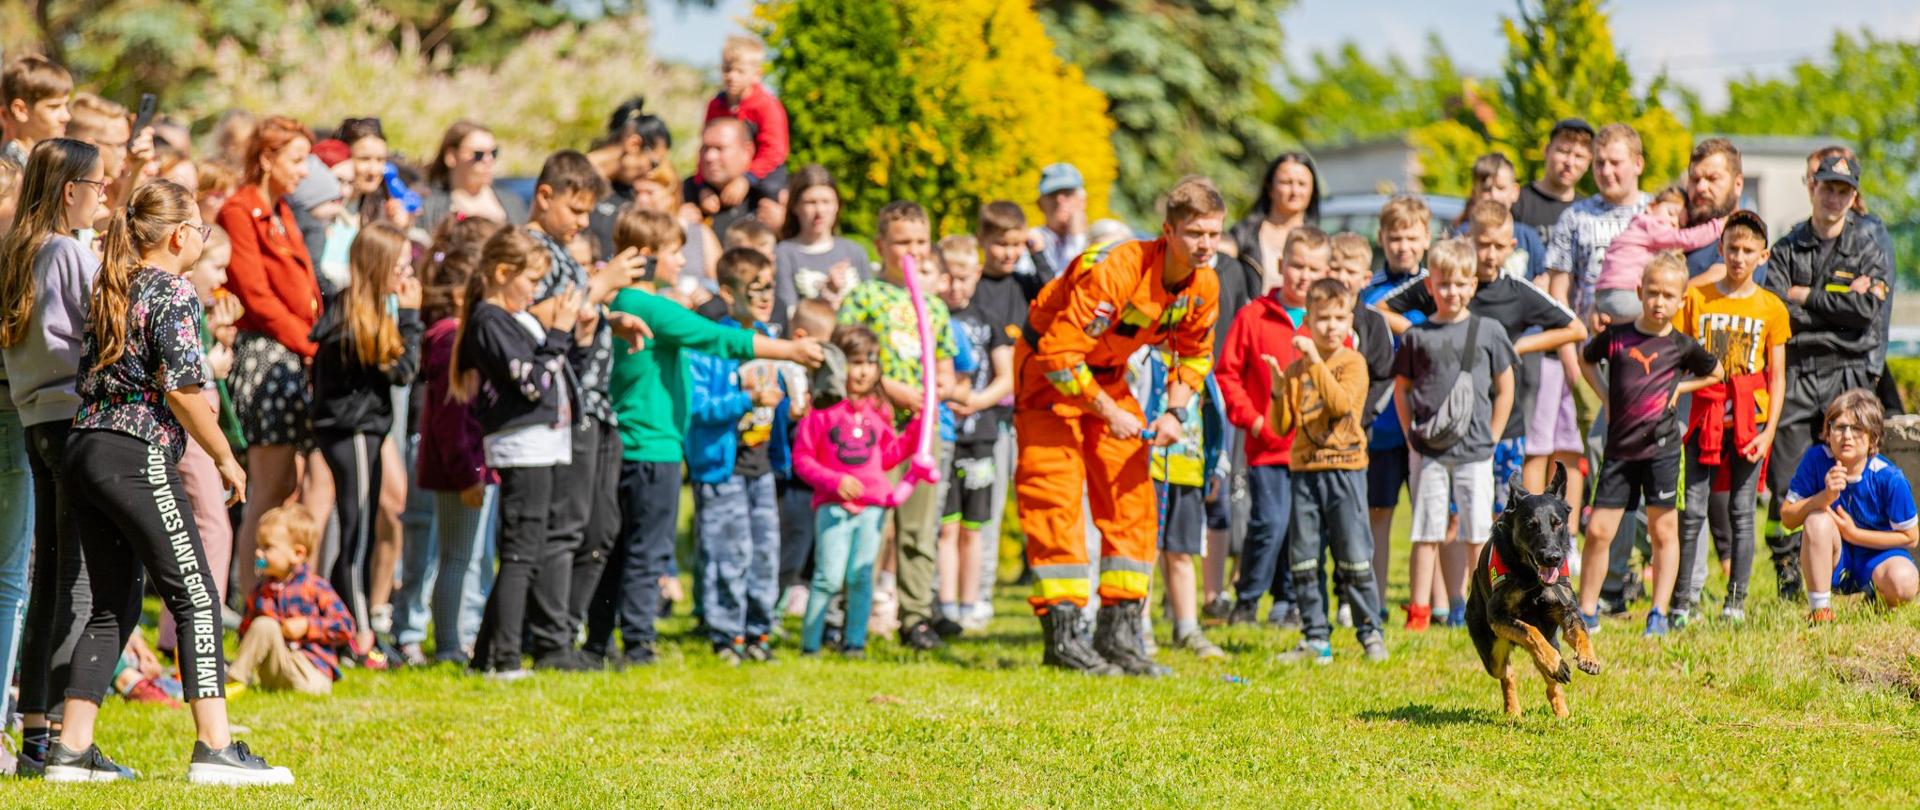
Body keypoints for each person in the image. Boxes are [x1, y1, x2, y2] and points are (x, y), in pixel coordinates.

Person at [50, 179, 292, 785]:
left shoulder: (116, 281)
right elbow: (184, 390)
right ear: (182, 235)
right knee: (198, 595)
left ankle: (70, 752)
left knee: (114, 603)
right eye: (203, 231)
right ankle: (216, 747)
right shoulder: (173, 290)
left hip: (84, 445)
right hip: (135, 451)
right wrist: (225, 458)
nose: (204, 241)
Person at [590, 210, 821, 666]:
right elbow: (718, 339)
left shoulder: (620, 304)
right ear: (649, 257)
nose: (683, 259)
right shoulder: (649, 306)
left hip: (629, 444)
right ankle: (636, 644)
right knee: (647, 550)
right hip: (652, 444)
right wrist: (789, 350)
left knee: (618, 549)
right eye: (676, 251)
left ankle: (601, 641)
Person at [1016, 176, 1222, 675]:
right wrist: (1110, 414)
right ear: (1168, 231)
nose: (1205, 246)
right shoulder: (1118, 267)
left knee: (1132, 498)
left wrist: (1174, 413)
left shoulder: (1204, 286)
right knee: (1056, 497)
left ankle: (1120, 635)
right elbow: (1061, 355)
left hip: (1106, 375)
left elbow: (1194, 356)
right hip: (1048, 374)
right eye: (1195, 234)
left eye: (1214, 234)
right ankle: (1064, 640)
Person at [1381, 202, 1584, 625]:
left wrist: (1512, 351)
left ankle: (1503, 598)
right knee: (1446, 520)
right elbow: (1381, 309)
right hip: (1445, 430)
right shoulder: (1448, 277)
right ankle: (1448, 601)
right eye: (1481, 244)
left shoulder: (1516, 290)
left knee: (1496, 522)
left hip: (1499, 427)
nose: (1489, 253)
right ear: (1467, 243)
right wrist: (1425, 336)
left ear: (1510, 246)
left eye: (1497, 246)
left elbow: (1575, 328)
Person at [521, 150, 647, 670]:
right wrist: (604, 282)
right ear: (545, 195)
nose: (582, 222)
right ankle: (550, 643)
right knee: (566, 527)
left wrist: (610, 318)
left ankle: (567, 634)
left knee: (601, 528)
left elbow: (579, 313)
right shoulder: (530, 248)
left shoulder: (563, 250)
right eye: (575, 210)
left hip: (597, 404)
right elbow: (529, 319)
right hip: (561, 408)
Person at [0, 136, 102, 774]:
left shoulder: (19, 250)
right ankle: (69, 736)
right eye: (98, 186)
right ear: (71, 191)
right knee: (80, 582)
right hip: (72, 418)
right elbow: (108, 320)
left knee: (48, 578)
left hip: (33, 417)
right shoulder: (66, 251)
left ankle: (36, 730)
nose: (104, 197)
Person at [1762, 153, 1895, 603]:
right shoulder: (1785, 248)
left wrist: (1807, 297)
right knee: (1787, 477)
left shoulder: (1868, 248)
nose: (1834, 196)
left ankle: (1846, 568)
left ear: (1854, 196)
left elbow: (1865, 312)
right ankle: (1786, 568)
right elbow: (1779, 309)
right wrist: (1836, 302)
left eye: (1843, 189)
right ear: (1811, 187)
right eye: (1827, 186)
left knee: (1851, 473)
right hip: (1798, 370)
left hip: (1847, 374)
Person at [455, 227, 582, 679]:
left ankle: (483, 657)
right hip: (520, 445)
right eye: (531, 280)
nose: (535, 290)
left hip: (542, 443)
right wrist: (560, 335)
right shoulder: (489, 320)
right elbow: (532, 382)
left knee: (525, 550)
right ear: (504, 272)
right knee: (520, 554)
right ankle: (505, 661)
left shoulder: (511, 316)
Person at [836, 200, 963, 650]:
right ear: (881, 245)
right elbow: (844, 359)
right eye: (902, 242)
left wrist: (940, 388)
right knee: (868, 520)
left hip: (923, 429)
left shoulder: (933, 306)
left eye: (920, 242)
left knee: (919, 524)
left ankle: (915, 616)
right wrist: (890, 389)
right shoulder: (865, 298)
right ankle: (850, 615)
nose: (912, 251)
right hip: (873, 428)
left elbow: (945, 365)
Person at [1577, 253, 1722, 636]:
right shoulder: (1617, 337)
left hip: (1662, 453)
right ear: (1640, 292)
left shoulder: (1682, 345)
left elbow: (1716, 372)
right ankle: (1586, 610)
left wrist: (1679, 388)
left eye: (1669, 295)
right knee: (1598, 531)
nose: (1659, 302)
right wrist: (1606, 398)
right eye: (1653, 293)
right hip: (1620, 453)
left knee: (1662, 533)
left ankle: (1657, 612)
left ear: (1681, 299)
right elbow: (1585, 359)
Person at [220, 116, 330, 601]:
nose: (305, 171)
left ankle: (281, 596)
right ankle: (249, 598)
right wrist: (313, 346)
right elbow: (257, 298)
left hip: (295, 354)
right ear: (266, 159)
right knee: (266, 486)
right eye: (297, 159)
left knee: (288, 482)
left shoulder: (282, 213)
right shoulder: (240, 210)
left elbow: (304, 291)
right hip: (267, 357)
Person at [1543, 123, 1649, 609]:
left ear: (1637, 164)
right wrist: (1570, 357)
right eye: (1600, 163)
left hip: (1650, 366)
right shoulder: (1575, 217)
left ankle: (1647, 570)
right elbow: (1559, 294)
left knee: (1656, 472)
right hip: (1593, 367)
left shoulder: (1655, 212)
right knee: (1611, 470)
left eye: (1616, 162)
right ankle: (1610, 583)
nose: (1606, 171)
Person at [308, 221, 423, 661]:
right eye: (400, 266)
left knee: (368, 528)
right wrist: (411, 318)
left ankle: (353, 628)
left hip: (364, 429)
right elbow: (402, 371)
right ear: (379, 267)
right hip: (351, 430)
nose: (407, 275)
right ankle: (358, 639)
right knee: (355, 534)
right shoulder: (354, 313)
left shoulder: (367, 309)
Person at [1391, 238, 1517, 632]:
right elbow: (1402, 389)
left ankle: (1478, 604)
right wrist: (1410, 434)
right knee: (1426, 529)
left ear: (1473, 285)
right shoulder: (1417, 335)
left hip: (1475, 450)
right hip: (1428, 450)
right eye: (1444, 284)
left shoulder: (1489, 331)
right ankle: (1420, 608)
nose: (1452, 292)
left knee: (1477, 530)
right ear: (1430, 286)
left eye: (1461, 283)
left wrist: (1493, 436)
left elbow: (1505, 386)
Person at [1673, 211, 1789, 623]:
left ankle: (1735, 602)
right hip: (1703, 414)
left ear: (1763, 256)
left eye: (1748, 251)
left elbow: (1777, 376)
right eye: (1732, 249)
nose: (1739, 257)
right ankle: (1682, 602)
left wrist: (1769, 430)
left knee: (1742, 511)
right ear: (1720, 249)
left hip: (1747, 420)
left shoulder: (1771, 307)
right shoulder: (1697, 299)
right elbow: (1676, 351)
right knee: (1693, 510)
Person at [1268, 278, 1385, 662]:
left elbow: (1339, 406)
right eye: (1322, 318)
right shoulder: (1298, 366)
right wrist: (1278, 388)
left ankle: (1371, 633)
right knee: (1303, 557)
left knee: (1354, 555)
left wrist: (1315, 363)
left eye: (1338, 317)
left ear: (1349, 319)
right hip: (1304, 471)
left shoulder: (1353, 363)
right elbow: (1283, 426)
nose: (1330, 326)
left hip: (1346, 470)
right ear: (1308, 320)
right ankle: (1315, 637)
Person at [687, 248, 792, 663]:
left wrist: (787, 416)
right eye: (756, 287)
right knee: (729, 551)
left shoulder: (769, 338)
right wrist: (745, 399)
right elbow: (698, 408)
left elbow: (778, 408)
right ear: (729, 293)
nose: (767, 295)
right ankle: (725, 633)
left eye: (771, 286)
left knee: (765, 550)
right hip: (723, 465)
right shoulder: (711, 343)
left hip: (762, 464)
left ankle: (758, 632)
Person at [1219, 228, 1325, 628]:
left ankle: (1288, 601)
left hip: (1312, 448)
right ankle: (1246, 600)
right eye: (1296, 265)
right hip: (1267, 443)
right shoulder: (1254, 315)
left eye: (1313, 268)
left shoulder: (1325, 320)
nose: (1303, 276)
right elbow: (1227, 374)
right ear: (1281, 266)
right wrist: (1254, 420)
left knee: (1302, 527)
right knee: (1270, 521)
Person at [792, 324, 919, 657]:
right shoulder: (822, 409)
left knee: (862, 578)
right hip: (833, 507)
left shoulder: (881, 411)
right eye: (855, 362)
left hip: (873, 509)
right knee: (827, 578)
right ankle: (810, 646)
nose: (863, 371)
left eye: (870, 362)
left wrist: (917, 427)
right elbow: (802, 459)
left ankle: (854, 645)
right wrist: (834, 482)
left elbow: (888, 456)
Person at [407, 217, 501, 663]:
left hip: (470, 464)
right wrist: (469, 472)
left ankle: (459, 637)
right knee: (458, 557)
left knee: (468, 556)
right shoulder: (449, 338)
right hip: (459, 469)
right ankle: (449, 644)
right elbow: (451, 417)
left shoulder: (456, 334)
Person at [1360, 196, 1433, 617]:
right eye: (1394, 237)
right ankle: (1375, 602)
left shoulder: (1439, 288)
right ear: (1382, 239)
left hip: (1427, 422)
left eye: (1411, 237)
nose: (1403, 245)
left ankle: (1436, 603)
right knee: (1379, 513)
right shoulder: (1369, 293)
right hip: (1384, 424)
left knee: (1433, 519)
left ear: (1425, 238)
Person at [1786, 389, 1919, 619]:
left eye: (1857, 429)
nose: (1847, 436)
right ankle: (1820, 611)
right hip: (1836, 556)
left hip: (1879, 557)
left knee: (1905, 581)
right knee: (1817, 520)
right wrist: (1823, 497)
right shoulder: (1817, 459)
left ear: (1873, 437)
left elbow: (1911, 537)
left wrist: (1854, 534)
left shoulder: (1889, 477)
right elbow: (1788, 517)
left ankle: (1875, 600)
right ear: (1827, 433)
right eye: (1839, 427)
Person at [936, 236, 1005, 631]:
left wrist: (977, 402)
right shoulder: (931, 315)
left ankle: (971, 601)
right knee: (945, 524)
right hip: (945, 434)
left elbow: (1005, 375)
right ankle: (944, 603)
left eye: (963, 277)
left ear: (977, 275)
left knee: (974, 526)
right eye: (948, 276)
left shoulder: (988, 318)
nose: (955, 286)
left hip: (980, 433)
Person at [1328, 232, 1395, 613]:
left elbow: (1385, 376)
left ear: (1365, 278)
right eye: (1334, 267)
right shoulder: (1316, 316)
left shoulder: (1372, 322)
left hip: (1359, 436)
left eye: (1349, 270)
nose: (1341, 276)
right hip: (1318, 436)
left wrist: (1359, 414)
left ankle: (1348, 595)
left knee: (1353, 515)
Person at [230, 505, 354, 696]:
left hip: (310, 673)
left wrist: (307, 626)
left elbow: (346, 626)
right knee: (264, 625)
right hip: (276, 669)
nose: (258, 553)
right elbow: (246, 634)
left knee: (265, 624)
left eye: (267, 547)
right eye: (259, 546)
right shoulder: (260, 593)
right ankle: (236, 679)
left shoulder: (315, 587)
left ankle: (234, 680)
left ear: (297, 554)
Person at [1590, 186, 1724, 324]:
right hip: (1622, 294)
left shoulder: (1638, 228)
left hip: (1607, 296)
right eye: (1671, 213)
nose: (1674, 222)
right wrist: (1718, 226)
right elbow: (1686, 238)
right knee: (1665, 311)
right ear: (1651, 206)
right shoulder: (1649, 225)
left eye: (1679, 223)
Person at [701, 36, 790, 223]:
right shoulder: (716, 105)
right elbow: (705, 146)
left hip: (762, 172)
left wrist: (746, 179)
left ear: (756, 74)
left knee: (772, 194)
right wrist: (702, 185)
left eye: (740, 71)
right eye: (727, 70)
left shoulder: (767, 105)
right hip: (726, 168)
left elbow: (775, 151)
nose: (732, 77)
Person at [775, 165, 870, 318]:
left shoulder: (854, 251)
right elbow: (788, 315)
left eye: (826, 202)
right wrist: (824, 295)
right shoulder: (784, 253)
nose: (819, 211)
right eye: (810, 202)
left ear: (837, 205)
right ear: (795, 206)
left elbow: (870, 306)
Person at [585, 96, 673, 260]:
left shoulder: (626, 194)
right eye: (653, 164)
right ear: (633, 144)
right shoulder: (574, 173)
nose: (651, 174)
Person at [1223, 152, 1321, 292]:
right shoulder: (1243, 234)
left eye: (1302, 184)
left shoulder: (1321, 242)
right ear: (1269, 187)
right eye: (1286, 182)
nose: (1294, 191)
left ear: (1313, 190)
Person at [1452, 153, 1546, 281]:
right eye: (1486, 189)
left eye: (1501, 188)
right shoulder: (1461, 236)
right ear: (1474, 193)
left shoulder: (1529, 239)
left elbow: (1543, 280)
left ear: (1515, 192)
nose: (1494, 196)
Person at [418, 121, 527, 232]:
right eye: (479, 155)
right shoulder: (429, 208)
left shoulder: (512, 202)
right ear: (451, 157)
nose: (488, 160)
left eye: (494, 153)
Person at [1511, 118, 1594, 244]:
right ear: (1546, 151)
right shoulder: (1517, 202)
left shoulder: (1589, 212)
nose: (1569, 162)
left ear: (1589, 162)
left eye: (1579, 156)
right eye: (1563, 152)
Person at [684, 118, 766, 242]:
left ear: (747, 151)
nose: (709, 157)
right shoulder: (683, 192)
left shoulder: (767, 195)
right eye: (705, 148)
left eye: (720, 148)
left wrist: (784, 226)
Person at [1, 55, 72, 165]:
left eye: (66, 104)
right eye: (54, 107)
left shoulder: (43, 162)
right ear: (20, 110)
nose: (66, 116)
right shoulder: (9, 171)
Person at [1028, 163, 1089, 280]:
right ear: (1039, 204)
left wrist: (1077, 238)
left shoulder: (1099, 239)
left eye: (1067, 193)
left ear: (1083, 201)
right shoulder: (1029, 242)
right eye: (1052, 194)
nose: (1060, 200)